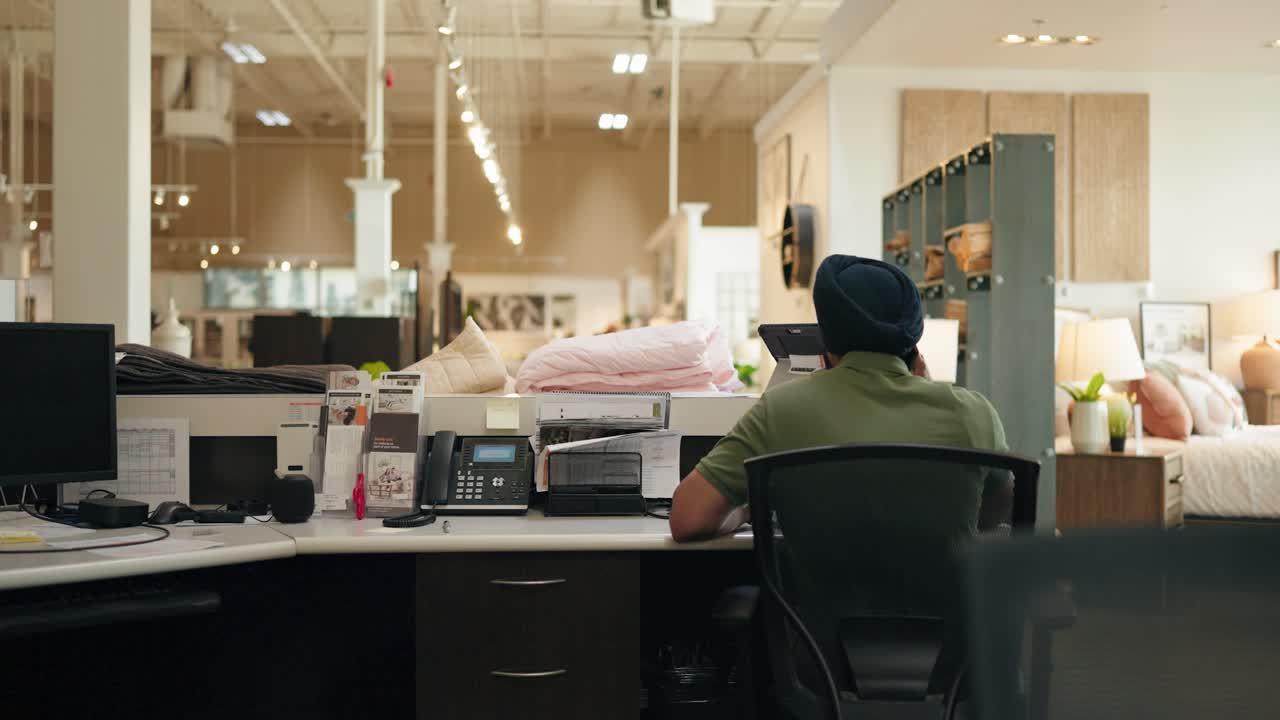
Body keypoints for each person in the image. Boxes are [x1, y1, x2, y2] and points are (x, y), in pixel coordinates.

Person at [669, 254, 1007, 542]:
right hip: (951, 618)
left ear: (826, 346)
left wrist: (745, 511)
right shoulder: (973, 414)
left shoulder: (781, 410)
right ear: (913, 341)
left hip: (814, 621)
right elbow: (993, 518)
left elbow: (687, 519)